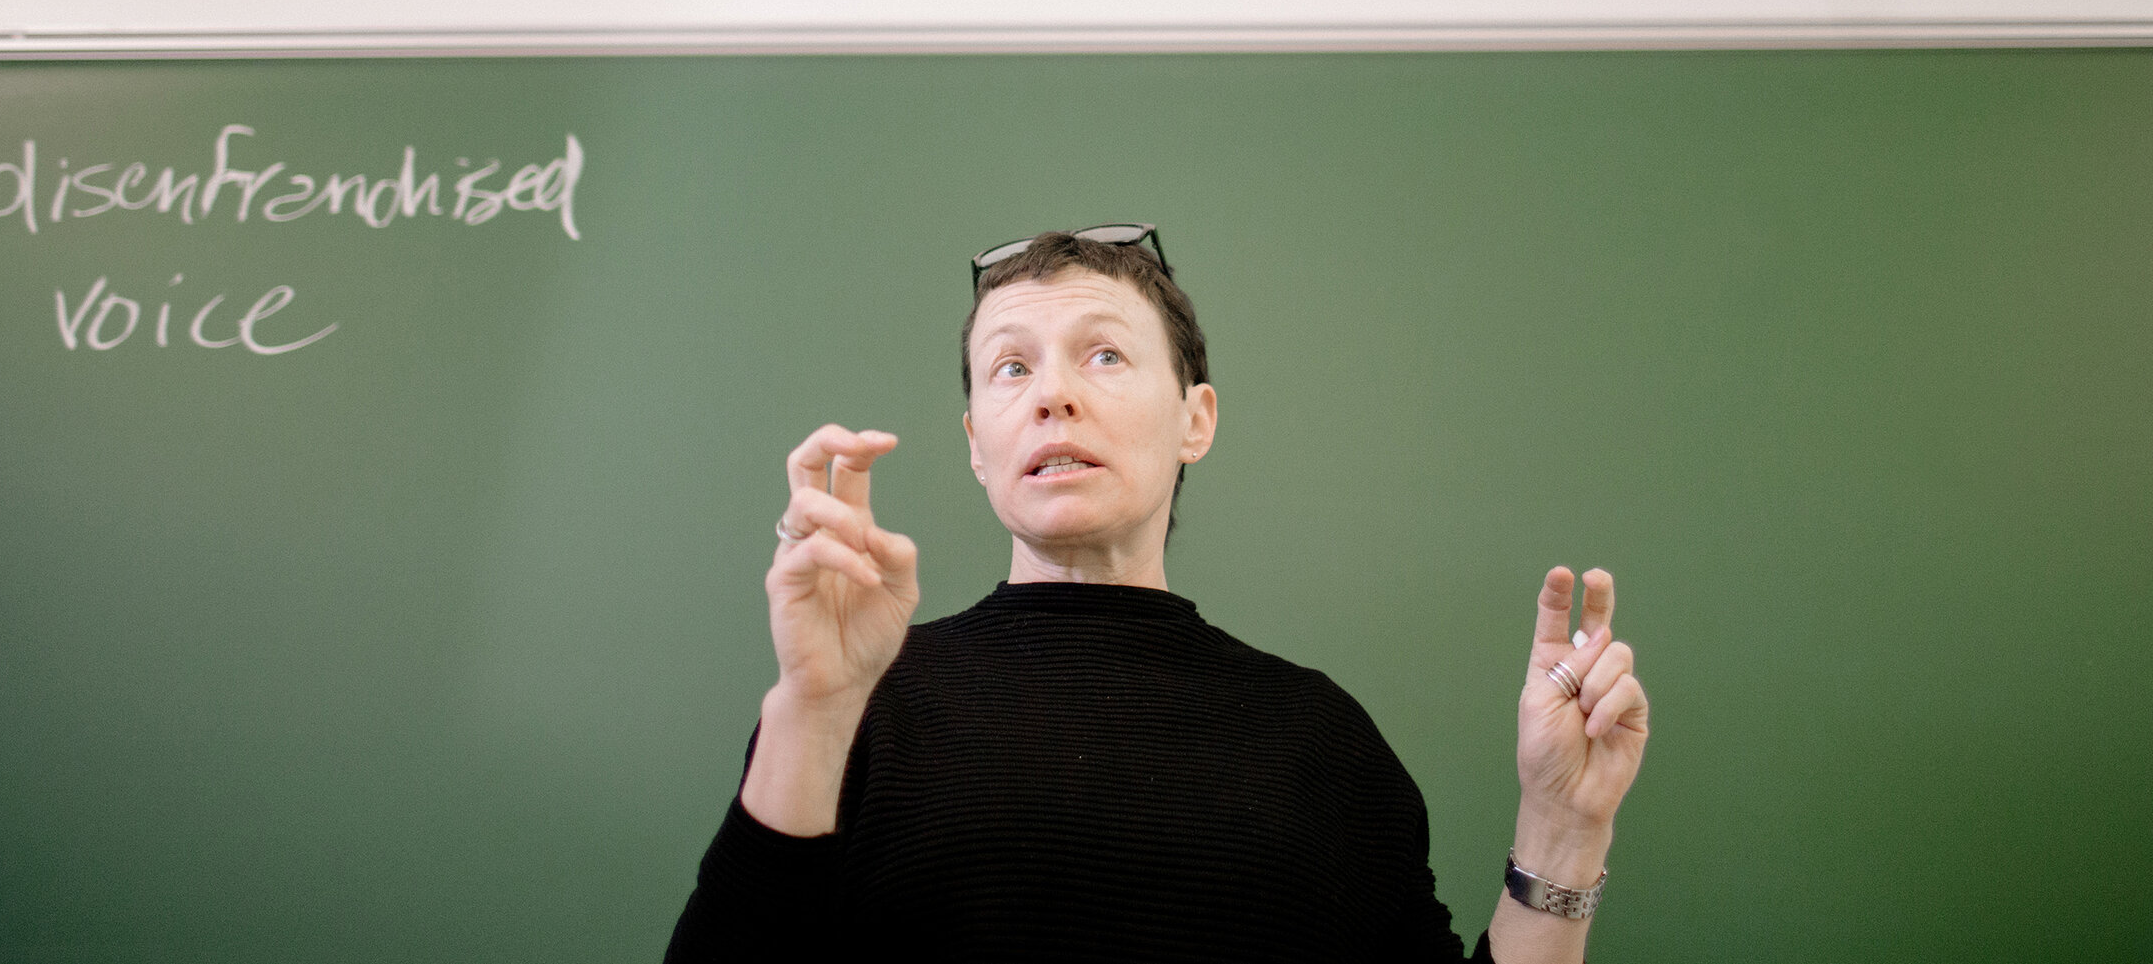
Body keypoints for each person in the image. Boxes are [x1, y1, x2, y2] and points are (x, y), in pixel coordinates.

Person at [666, 227, 1649, 962]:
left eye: (1103, 354)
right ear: (977, 444)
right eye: (1011, 366)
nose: (1052, 393)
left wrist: (1562, 832)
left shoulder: (1317, 737)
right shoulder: (855, 703)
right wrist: (814, 707)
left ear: (1195, 419)